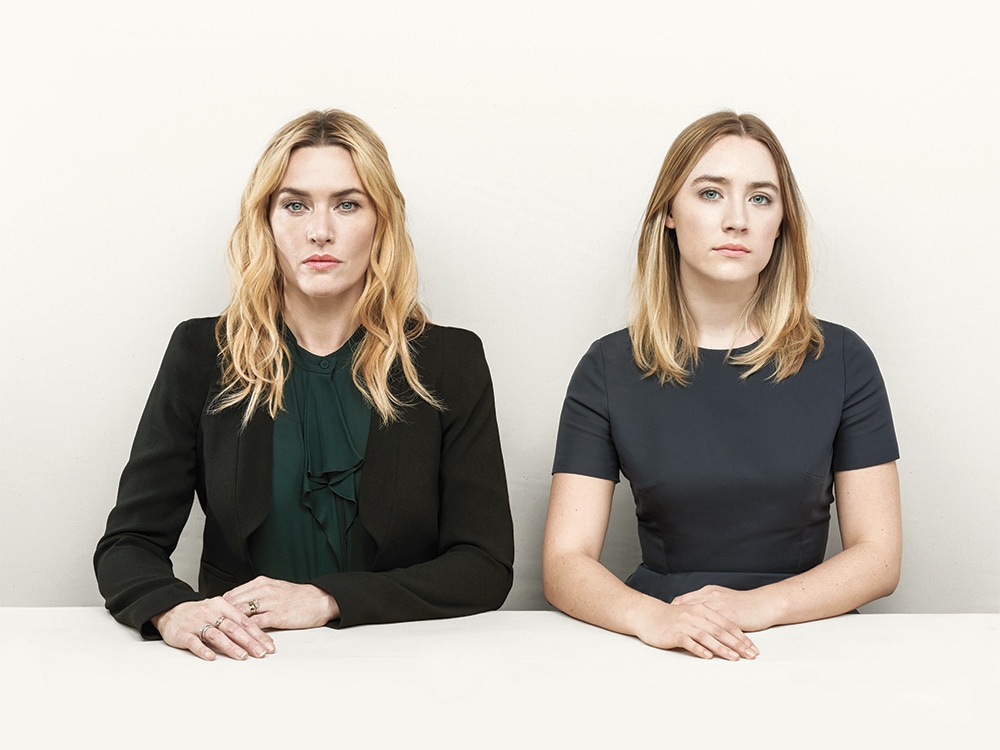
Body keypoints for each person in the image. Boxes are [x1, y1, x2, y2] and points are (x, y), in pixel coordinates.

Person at [95, 109, 514, 661]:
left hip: (402, 660)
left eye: (347, 204)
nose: (320, 231)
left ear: (382, 222)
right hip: (240, 662)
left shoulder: (448, 361)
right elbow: (129, 544)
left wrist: (326, 599)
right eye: (295, 205)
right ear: (266, 221)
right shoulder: (203, 352)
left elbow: (484, 565)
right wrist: (171, 609)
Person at [543, 111, 901, 661]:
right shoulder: (608, 366)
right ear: (669, 212)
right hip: (662, 644)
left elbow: (879, 557)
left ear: (781, 223)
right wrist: (654, 619)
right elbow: (565, 562)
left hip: (804, 638)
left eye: (761, 198)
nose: (737, 220)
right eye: (711, 193)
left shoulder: (843, 358)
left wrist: (757, 607)